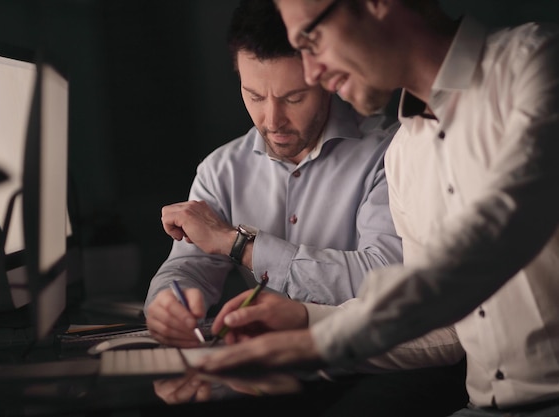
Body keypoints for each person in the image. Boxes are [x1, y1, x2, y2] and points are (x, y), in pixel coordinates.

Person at [193, 0, 559, 415]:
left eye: (311, 40)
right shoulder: (404, 153)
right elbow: (440, 330)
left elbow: (500, 228)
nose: (312, 74)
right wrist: (304, 321)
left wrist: (316, 342)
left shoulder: (539, 62)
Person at [144, 0, 404, 347]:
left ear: (323, 76)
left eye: (294, 98)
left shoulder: (389, 154)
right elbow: (188, 268)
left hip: (362, 362)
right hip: (263, 371)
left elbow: (385, 279)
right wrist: (167, 303)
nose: (271, 120)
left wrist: (237, 244)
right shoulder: (221, 170)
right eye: (254, 96)